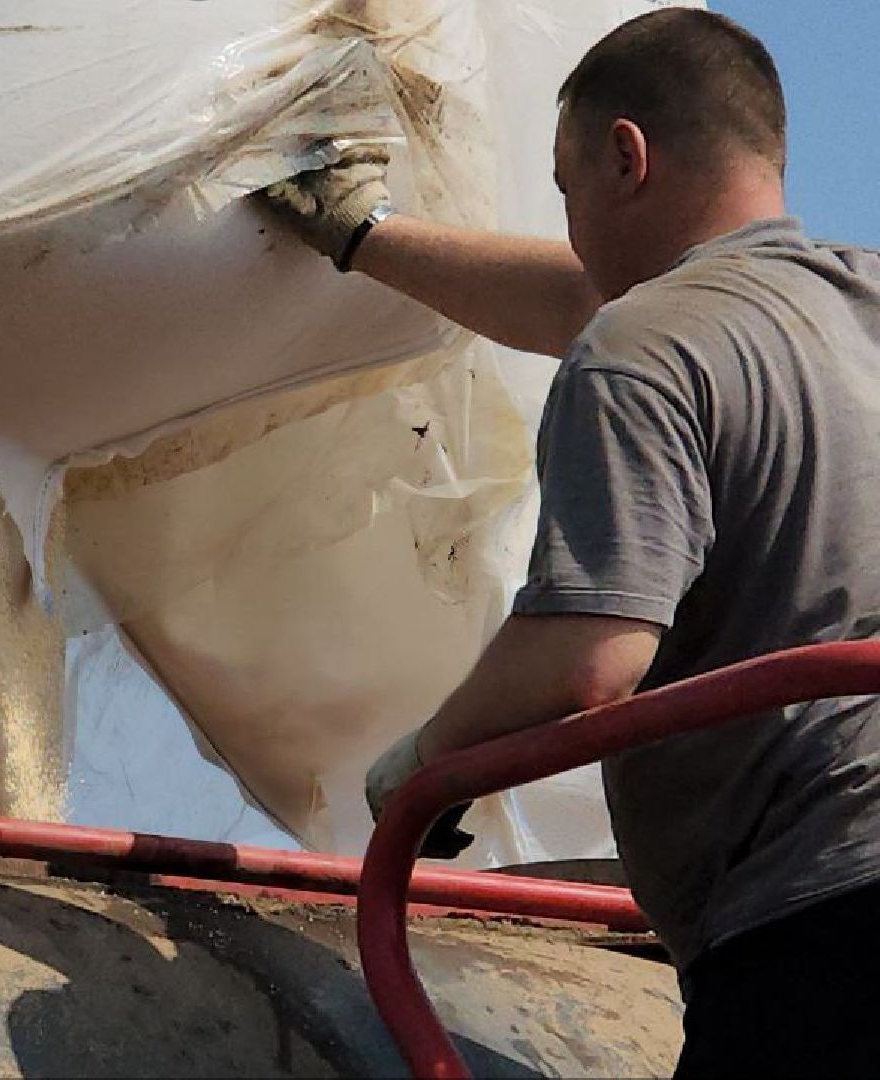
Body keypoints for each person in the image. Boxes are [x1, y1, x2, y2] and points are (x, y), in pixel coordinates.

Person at [262, 9, 880, 1076]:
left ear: (624, 156)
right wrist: (363, 239)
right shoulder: (853, 302)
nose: (573, 227)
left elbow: (591, 657)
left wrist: (427, 763)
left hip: (820, 925)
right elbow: (585, 296)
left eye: (566, 190)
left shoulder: (644, 347)